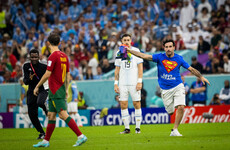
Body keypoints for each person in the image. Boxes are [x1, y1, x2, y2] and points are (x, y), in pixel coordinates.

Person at [126, 39, 210, 136]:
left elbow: (191, 69)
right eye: (166, 47)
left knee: (181, 107)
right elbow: (144, 55)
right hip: (165, 89)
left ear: (174, 47)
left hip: (178, 85)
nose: (168, 49)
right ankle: (173, 112)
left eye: (170, 46)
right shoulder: (159, 57)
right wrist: (130, 50)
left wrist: (201, 76)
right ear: (164, 48)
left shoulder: (179, 58)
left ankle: (175, 130)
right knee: (170, 112)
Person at [33, 32, 87, 148]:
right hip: (58, 89)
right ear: (60, 43)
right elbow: (68, 75)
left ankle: (80, 136)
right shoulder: (64, 56)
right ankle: (46, 141)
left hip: (55, 89)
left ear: (48, 43)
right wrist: (66, 89)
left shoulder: (53, 56)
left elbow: (48, 73)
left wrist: (37, 86)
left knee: (63, 114)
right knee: (51, 115)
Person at [114, 33, 143, 134]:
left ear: (131, 41)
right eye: (124, 40)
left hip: (134, 83)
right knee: (123, 105)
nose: (126, 41)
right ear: (122, 41)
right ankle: (127, 128)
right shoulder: (119, 52)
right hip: (122, 83)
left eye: (128, 40)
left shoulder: (136, 51)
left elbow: (140, 67)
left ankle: (138, 128)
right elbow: (117, 69)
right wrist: (116, 83)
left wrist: (139, 81)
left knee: (136, 103)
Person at [22, 49, 48, 139]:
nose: (34, 59)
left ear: (39, 57)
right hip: (31, 91)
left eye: (36, 57)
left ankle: (46, 109)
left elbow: (49, 76)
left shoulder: (44, 67)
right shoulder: (26, 66)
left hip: (42, 89)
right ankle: (42, 133)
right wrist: (30, 79)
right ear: (29, 57)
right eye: (32, 57)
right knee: (32, 114)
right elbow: (25, 82)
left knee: (40, 102)